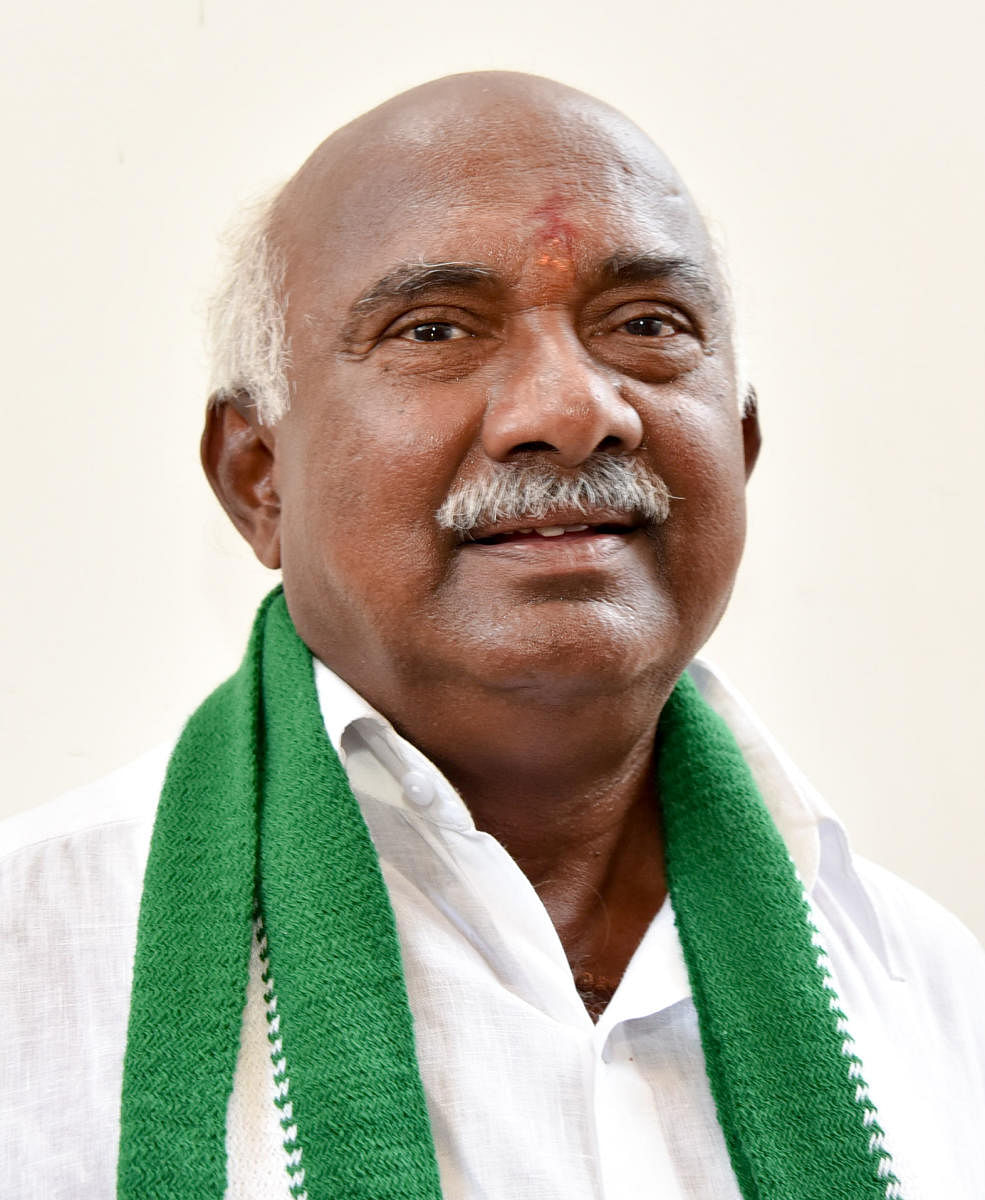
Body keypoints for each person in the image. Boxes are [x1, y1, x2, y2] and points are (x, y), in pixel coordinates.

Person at [2, 71, 983, 1200]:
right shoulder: (33, 956)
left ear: (743, 443)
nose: (571, 412)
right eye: (434, 329)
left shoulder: (926, 989)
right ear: (259, 479)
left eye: (646, 325)